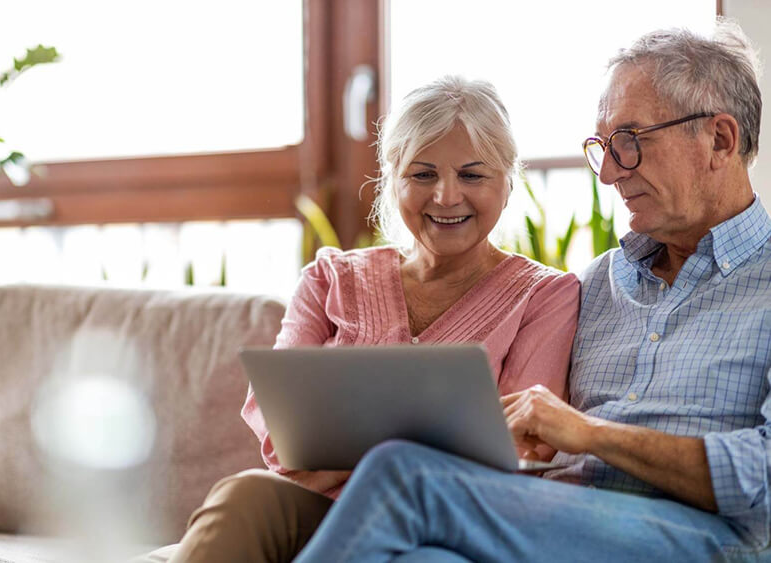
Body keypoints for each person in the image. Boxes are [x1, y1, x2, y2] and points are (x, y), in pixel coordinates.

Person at [293, 20, 771, 563]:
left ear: (720, 139)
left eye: (630, 142)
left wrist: (590, 434)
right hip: (554, 523)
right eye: (603, 147)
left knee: (403, 474)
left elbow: (766, 477)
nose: (609, 172)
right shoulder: (596, 284)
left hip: (705, 536)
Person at [166, 76, 580, 562]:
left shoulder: (544, 295)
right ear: (393, 180)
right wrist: (416, 446)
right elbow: (283, 436)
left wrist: (351, 457)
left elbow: (522, 449)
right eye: (422, 175)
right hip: (318, 510)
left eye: (472, 175)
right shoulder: (329, 278)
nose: (446, 197)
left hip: (440, 523)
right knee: (246, 494)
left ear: (508, 183)